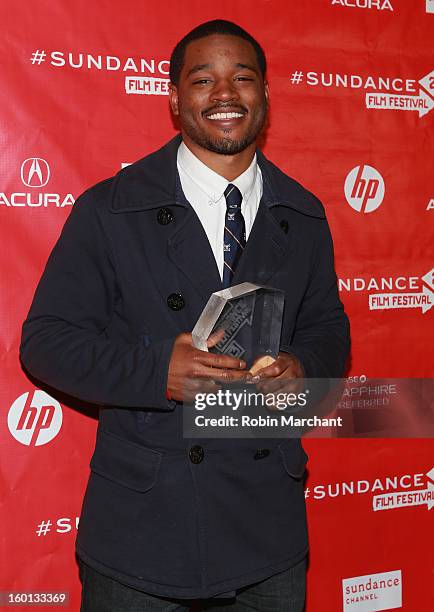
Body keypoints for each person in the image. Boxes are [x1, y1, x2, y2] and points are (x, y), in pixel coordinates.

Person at [20, 19, 350, 612]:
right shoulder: (110, 208)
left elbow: (329, 326)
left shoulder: (303, 215)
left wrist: (304, 367)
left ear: (266, 96)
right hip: (142, 535)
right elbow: (45, 342)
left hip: (266, 529)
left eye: (243, 78)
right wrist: (155, 373)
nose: (225, 94)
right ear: (174, 99)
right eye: (203, 80)